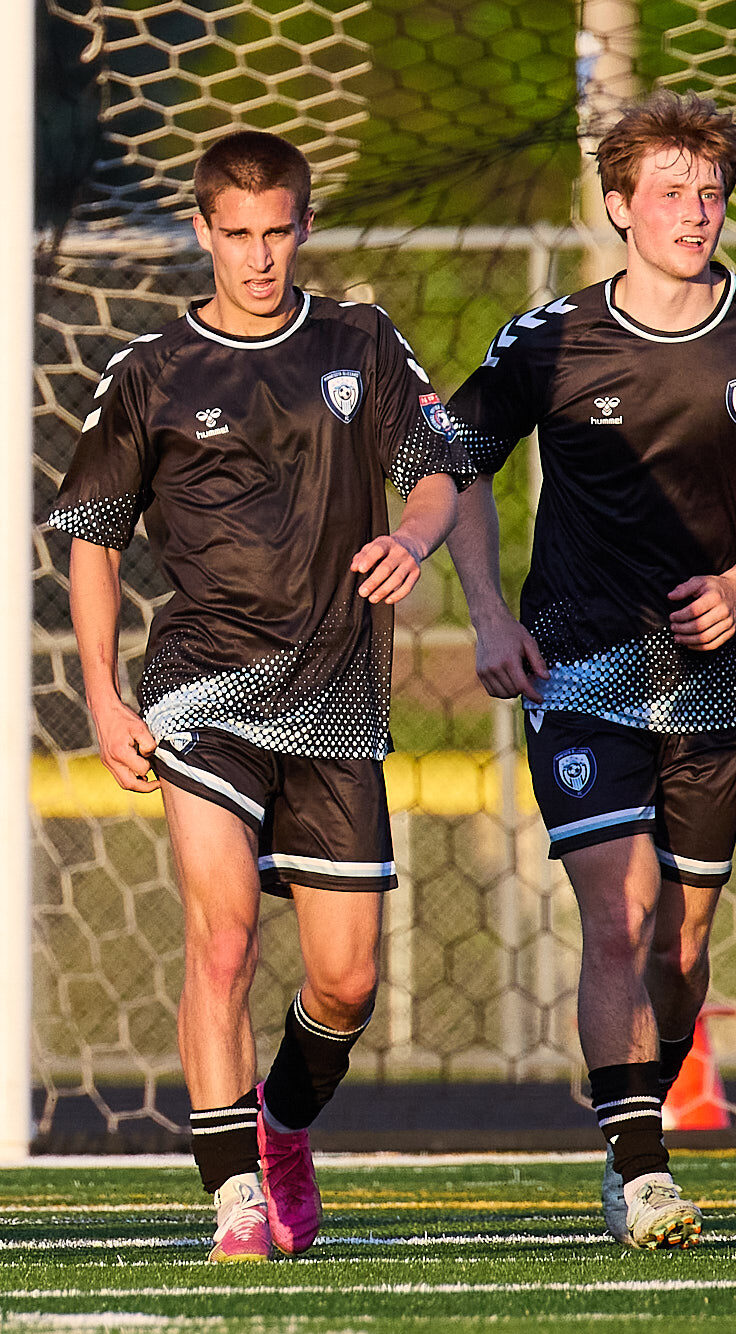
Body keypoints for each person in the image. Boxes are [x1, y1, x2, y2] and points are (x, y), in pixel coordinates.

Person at [47, 130, 467, 1262]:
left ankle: (279, 1125)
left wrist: (414, 538)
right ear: (200, 233)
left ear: (303, 225)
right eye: (234, 235)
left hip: (333, 697)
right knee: (221, 937)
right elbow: (89, 536)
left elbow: (436, 464)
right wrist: (98, 693)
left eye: (276, 231)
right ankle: (233, 1199)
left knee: (344, 979)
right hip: (198, 693)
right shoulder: (148, 372)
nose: (257, 256)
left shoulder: (357, 342)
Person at [445, 91, 736, 1251]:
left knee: (678, 945)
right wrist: (480, 614)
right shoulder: (548, 339)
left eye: (709, 191)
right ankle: (638, 1166)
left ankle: (638, 1120)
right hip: (579, 667)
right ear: (616, 206)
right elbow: (451, 462)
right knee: (614, 916)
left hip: (715, 687)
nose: (695, 212)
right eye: (668, 192)